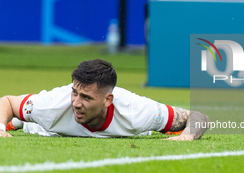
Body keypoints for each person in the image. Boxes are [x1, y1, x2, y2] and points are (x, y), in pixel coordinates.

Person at [0, 59, 209, 140]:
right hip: (41, 126)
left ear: (108, 100)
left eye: (86, 97)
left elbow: (198, 116)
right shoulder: (53, 103)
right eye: (75, 92)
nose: (76, 103)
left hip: (138, 125)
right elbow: (7, 102)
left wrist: (187, 137)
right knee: (18, 121)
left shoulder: (136, 109)